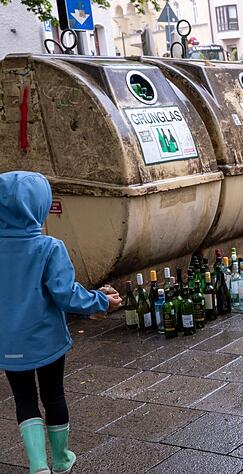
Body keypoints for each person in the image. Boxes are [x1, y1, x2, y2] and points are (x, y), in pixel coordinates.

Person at [0, 171, 122, 474]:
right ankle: (61, 459)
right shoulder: (49, 247)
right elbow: (66, 295)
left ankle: (38, 466)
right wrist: (101, 301)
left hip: (8, 341)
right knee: (53, 395)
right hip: (47, 338)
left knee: (24, 400)